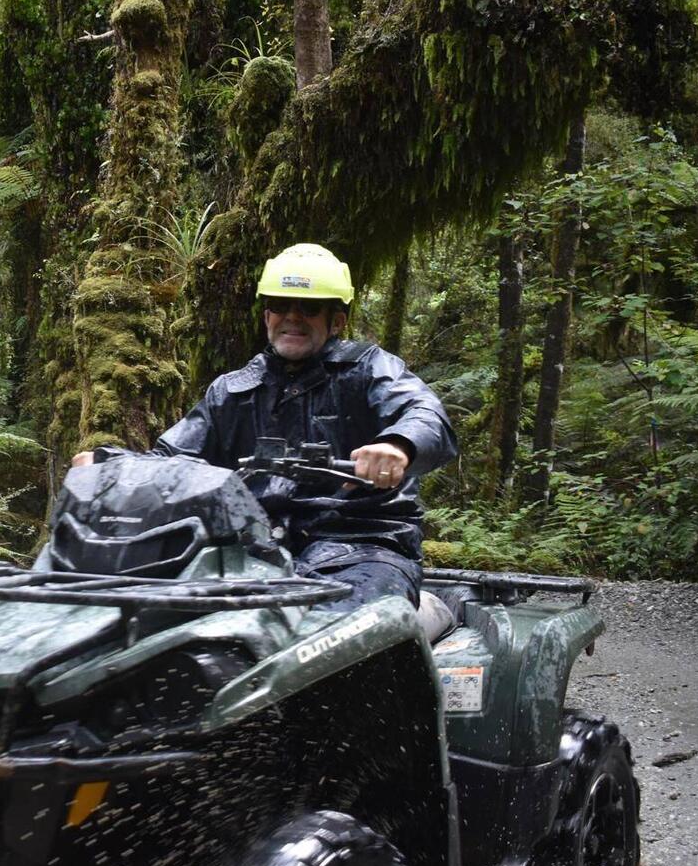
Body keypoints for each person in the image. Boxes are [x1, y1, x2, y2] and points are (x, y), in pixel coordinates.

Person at [72, 243, 457, 610]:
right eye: (280, 305)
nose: (293, 317)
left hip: (364, 547)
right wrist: (111, 464)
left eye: (309, 308)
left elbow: (426, 414)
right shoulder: (232, 390)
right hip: (255, 550)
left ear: (336, 321)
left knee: (342, 624)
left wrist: (398, 445)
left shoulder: (371, 369)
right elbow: (172, 459)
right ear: (266, 316)